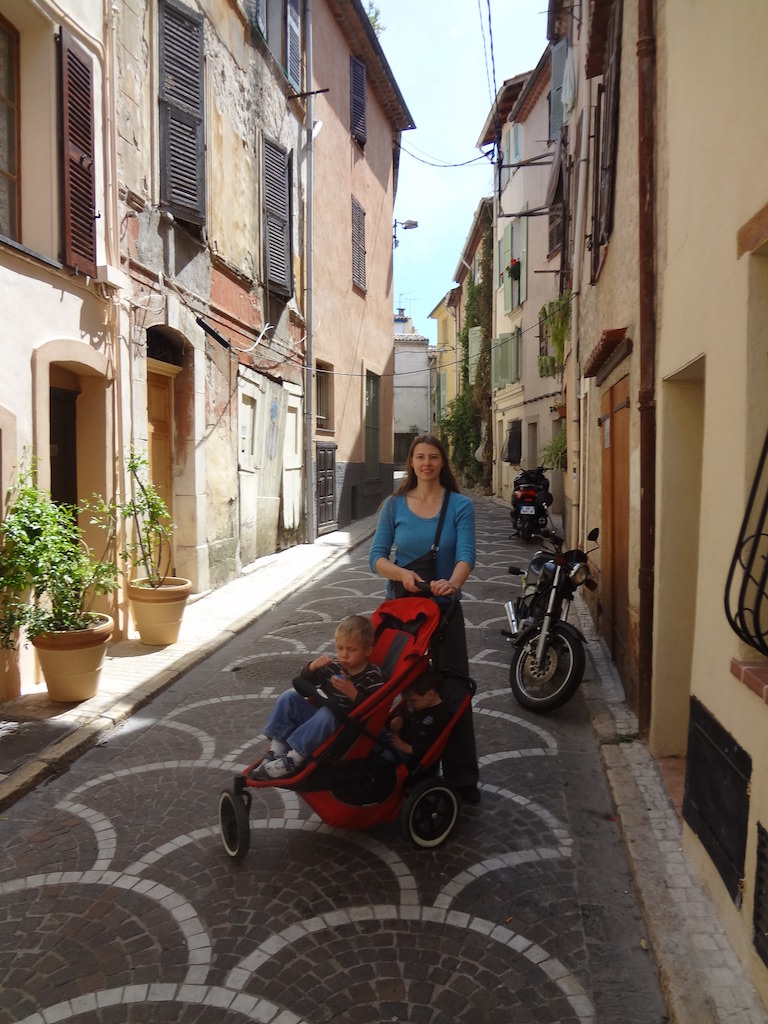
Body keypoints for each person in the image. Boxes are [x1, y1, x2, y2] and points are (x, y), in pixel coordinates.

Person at [368, 433, 481, 803]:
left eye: (433, 457)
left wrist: (453, 583)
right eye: (420, 457)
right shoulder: (394, 505)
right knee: (411, 688)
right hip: (405, 613)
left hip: (444, 612)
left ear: (442, 461)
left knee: (454, 689)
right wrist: (402, 574)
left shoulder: (460, 505)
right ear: (412, 462)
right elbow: (376, 557)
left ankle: (462, 777)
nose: (427, 463)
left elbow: (466, 554)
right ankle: (416, 765)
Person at [254, 614, 382, 779]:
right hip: (316, 721)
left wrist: (352, 692)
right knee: (288, 697)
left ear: (368, 650)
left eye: (351, 650)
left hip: (342, 729)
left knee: (328, 713)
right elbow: (305, 684)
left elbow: (375, 709)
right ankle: (276, 751)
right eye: (340, 648)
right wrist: (313, 666)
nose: (344, 655)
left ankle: (293, 760)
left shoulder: (373, 676)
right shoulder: (334, 666)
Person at [382, 669, 452, 768]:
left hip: (413, 755)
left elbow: (434, 747)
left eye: (412, 701)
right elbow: (403, 709)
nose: (409, 704)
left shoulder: (441, 715)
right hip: (397, 739)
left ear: (430, 695)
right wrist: (398, 716)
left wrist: (407, 748)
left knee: (386, 758)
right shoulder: (417, 703)